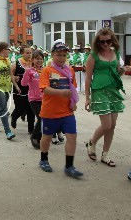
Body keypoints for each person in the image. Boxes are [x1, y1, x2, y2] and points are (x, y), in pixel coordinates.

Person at [38, 40, 83, 179]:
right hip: (50, 112)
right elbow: (45, 89)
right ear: (52, 55)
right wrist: (61, 93)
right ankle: (43, 159)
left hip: (67, 112)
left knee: (72, 137)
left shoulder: (69, 70)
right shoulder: (47, 70)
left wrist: (73, 102)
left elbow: (72, 88)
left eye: (64, 55)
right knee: (46, 138)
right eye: (58, 55)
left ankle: (69, 166)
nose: (61, 58)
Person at [85, 28, 125, 168]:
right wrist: (87, 97)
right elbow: (88, 77)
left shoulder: (115, 53)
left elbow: (116, 72)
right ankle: (92, 142)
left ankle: (105, 155)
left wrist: (120, 71)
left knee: (112, 125)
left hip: (113, 90)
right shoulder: (93, 56)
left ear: (112, 40)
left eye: (108, 41)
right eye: (102, 42)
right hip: (99, 91)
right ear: (98, 42)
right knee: (107, 125)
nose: (106, 44)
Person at [21, 50, 44, 149]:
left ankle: (39, 137)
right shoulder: (29, 71)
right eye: (37, 59)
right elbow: (23, 84)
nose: (39, 61)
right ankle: (34, 136)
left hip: (45, 99)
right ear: (33, 60)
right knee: (41, 117)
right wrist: (27, 74)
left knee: (45, 118)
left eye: (41, 59)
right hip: (34, 99)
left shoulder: (45, 70)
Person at [10, 45, 35, 134]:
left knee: (30, 110)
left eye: (30, 53)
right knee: (20, 108)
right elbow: (11, 75)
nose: (29, 55)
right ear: (22, 53)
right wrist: (15, 81)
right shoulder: (16, 63)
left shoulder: (33, 63)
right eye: (27, 53)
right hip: (19, 89)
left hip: (31, 90)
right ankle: (14, 117)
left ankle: (31, 130)